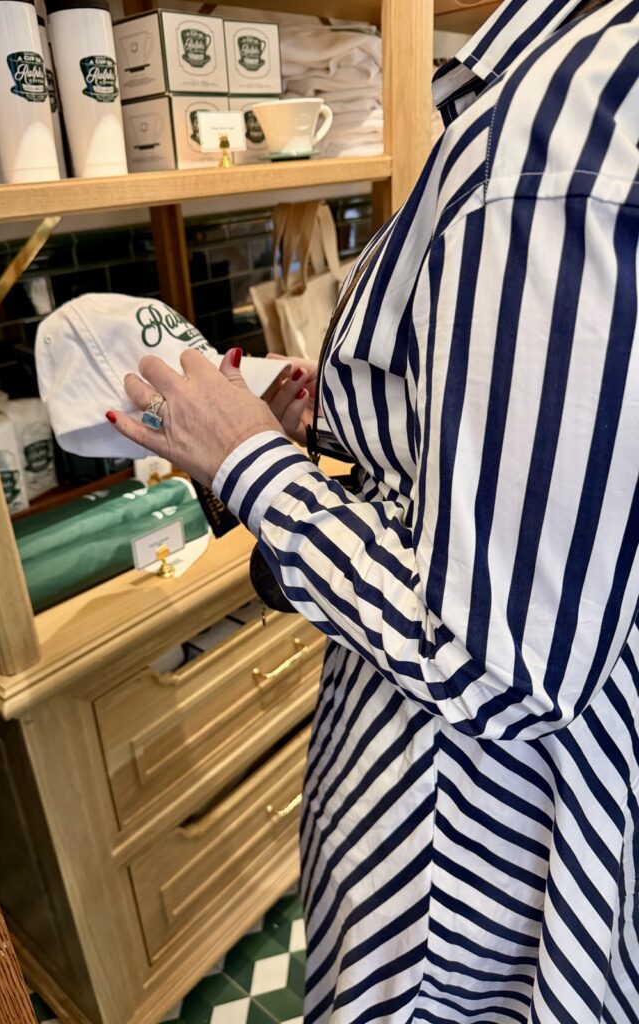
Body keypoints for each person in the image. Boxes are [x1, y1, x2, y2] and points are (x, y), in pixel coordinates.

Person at [106, 0, 639, 1020]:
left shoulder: (556, 136)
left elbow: (493, 663)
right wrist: (344, 448)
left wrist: (252, 464)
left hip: (459, 823)